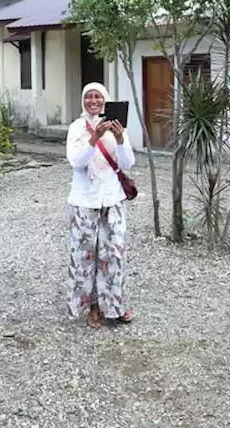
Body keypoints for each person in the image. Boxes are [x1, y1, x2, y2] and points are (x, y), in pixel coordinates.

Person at [65, 82, 135, 328]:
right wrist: (93, 139)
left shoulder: (117, 127)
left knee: (113, 254)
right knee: (85, 257)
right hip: (85, 201)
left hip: (112, 198)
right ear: (83, 101)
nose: (93, 101)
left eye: (98, 97)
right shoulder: (76, 128)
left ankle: (114, 305)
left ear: (106, 101)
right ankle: (92, 306)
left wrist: (119, 138)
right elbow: (76, 162)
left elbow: (127, 162)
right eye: (88, 97)